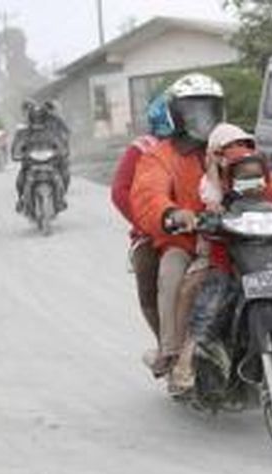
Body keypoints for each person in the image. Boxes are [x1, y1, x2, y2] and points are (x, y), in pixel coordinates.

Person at [181, 138, 272, 390]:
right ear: (228, 174)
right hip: (228, 261)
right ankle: (186, 360)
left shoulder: (269, 191)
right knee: (213, 298)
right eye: (243, 175)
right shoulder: (214, 192)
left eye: (256, 174)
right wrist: (199, 218)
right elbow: (200, 209)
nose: (251, 181)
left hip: (271, 258)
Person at [129, 73, 226, 393]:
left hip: (234, 236)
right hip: (184, 241)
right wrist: (171, 213)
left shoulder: (231, 146)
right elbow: (147, 195)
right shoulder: (160, 156)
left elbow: (265, 177)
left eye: (209, 110)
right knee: (170, 274)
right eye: (192, 111)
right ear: (176, 113)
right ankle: (171, 352)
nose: (202, 118)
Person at [110, 94, 174, 362]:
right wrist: (150, 222)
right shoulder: (142, 149)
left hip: (200, 227)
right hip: (154, 232)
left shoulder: (206, 145)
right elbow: (120, 191)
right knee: (148, 285)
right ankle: (167, 347)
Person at [11, 99, 71, 211]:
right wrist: (17, 153)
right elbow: (18, 142)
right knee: (21, 177)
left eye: (39, 117)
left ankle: (61, 198)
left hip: (50, 159)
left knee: (63, 173)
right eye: (35, 117)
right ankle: (21, 199)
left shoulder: (51, 127)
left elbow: (60, 138)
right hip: (31, 160)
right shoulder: (25, 129)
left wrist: (62, 150)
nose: (37, 120)